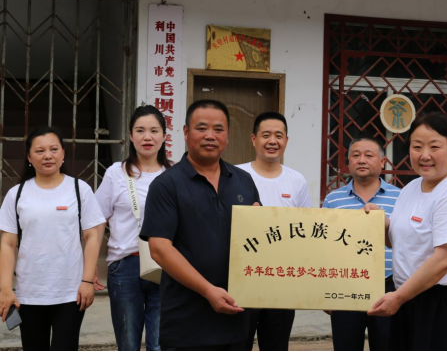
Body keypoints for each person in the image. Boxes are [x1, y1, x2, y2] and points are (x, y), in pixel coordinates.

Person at [140, 100, 261, 351]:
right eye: (202, 128)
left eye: (218, 129)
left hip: (236, 314)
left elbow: (258, 240)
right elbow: (160, 249)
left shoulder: (243, 181)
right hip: (186, 321)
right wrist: (208, 290)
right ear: (186, 132)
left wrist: (261, 223)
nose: (210, 136)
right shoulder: (166, 185)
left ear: (227, 135)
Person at [367, 112, 447, 351]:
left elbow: (444, 259)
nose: (424, 155)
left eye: (435, 147)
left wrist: (398, 297)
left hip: (442, 302)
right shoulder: (411, 188)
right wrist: (381, 222)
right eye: (417, 146)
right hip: (409, 297)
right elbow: (397, 242)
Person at [0, 126, 106, 351]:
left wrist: (87, 281)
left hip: (70, 293)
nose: (47, 155)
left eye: (53, 149)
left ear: (63, 153)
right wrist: (6, 289)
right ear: (29, 157)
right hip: (30, 293)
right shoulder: (16, 194)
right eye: (40, 151)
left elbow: (92, 237)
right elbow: (8, 244)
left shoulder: (79, 189)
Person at [95, 105, 173, 351]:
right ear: (130, 135)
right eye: (140, 130)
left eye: (154, 131)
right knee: (128, 344)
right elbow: (97, 221)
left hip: (166, 265)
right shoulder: (115, 173)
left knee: (160, 344)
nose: (147, 137)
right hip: (124, 266)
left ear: (164, 135)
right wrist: (91, 267)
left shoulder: (175, 174)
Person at [237, 112, 312, 351]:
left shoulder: (297, 180)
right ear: (253, 139)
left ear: (286, 141)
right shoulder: (235, 175)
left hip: (283, 278)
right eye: (266, 135)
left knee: (277, 344)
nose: (272, 141)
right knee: (238, 342)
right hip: (243, 277)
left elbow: (306, 230)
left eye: (278, 136)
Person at [322, 137, 401, 352]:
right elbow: (325, 248)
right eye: (356, 155)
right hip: (345, 286)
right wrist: (325, 291)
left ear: (382, 161)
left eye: (369, 155)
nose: (362, 160)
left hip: (389, 286)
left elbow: (407, 241)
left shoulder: (401, 197)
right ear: (348, 162)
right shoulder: (333, 199)